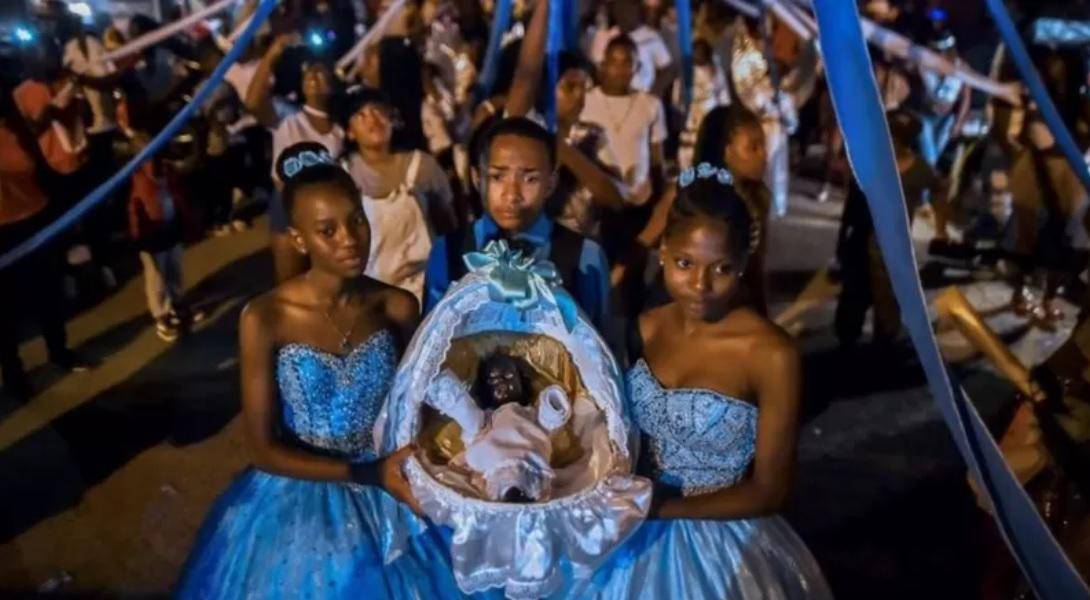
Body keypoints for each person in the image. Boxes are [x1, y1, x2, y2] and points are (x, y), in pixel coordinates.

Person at [176, 142, 460, 598]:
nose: (349, 239)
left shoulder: (397, 306)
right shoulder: (265, 318)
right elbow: (262, 448)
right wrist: (366, 474)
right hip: (301, 492)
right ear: (299, 239)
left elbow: (422, 406)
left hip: (391, 482)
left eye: (357, 221)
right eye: (327, 230)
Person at [565, 166, 832, 599]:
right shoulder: (644, 328)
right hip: (630, 534)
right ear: (664, 252)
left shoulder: (771, 354)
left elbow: (771, 489)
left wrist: (663, 509)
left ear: (743, 265)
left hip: (720, 544)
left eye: (721, 269)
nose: (700, 286)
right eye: (685, 264)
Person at [423, 117, 610, 329]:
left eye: (530, 179)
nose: (512, 195)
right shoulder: (448, 250)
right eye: (497, 177)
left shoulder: (585, 256)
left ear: (550, 183)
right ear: (477, 178)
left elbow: (599, 350)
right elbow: (430, 344)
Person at [0, 85, 92, 401]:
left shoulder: (15, 128)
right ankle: (14, 375)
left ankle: (60, 351)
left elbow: (41, 167)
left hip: (35, 221)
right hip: (2, 234)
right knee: (5, 311)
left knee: (47, 295)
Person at [247, 33, 345, 282]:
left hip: (328, 208)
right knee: (291, 280)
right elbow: (253, 102)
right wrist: (272, 53)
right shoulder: (286, 117)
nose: (313, 76)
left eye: (321, 72)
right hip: (287, 205)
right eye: (308, 73)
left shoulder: (342, 127)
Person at [343, 88, 456, 302]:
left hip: (427, 287)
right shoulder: (343, 176)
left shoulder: (422, 166)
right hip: (373, 295)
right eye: (361, 115)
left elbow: (447, 225)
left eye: (378, 111)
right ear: (350, 132)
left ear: (391, 119)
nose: (372, 120)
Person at [588, 0, 674, 96]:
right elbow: (597, 71)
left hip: (644, 95)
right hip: (612, 97)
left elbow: (667, 69)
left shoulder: (650, 36)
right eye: (621, 9)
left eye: (630, 9)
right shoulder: (604, 37)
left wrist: (654, 92)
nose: (625, 14)